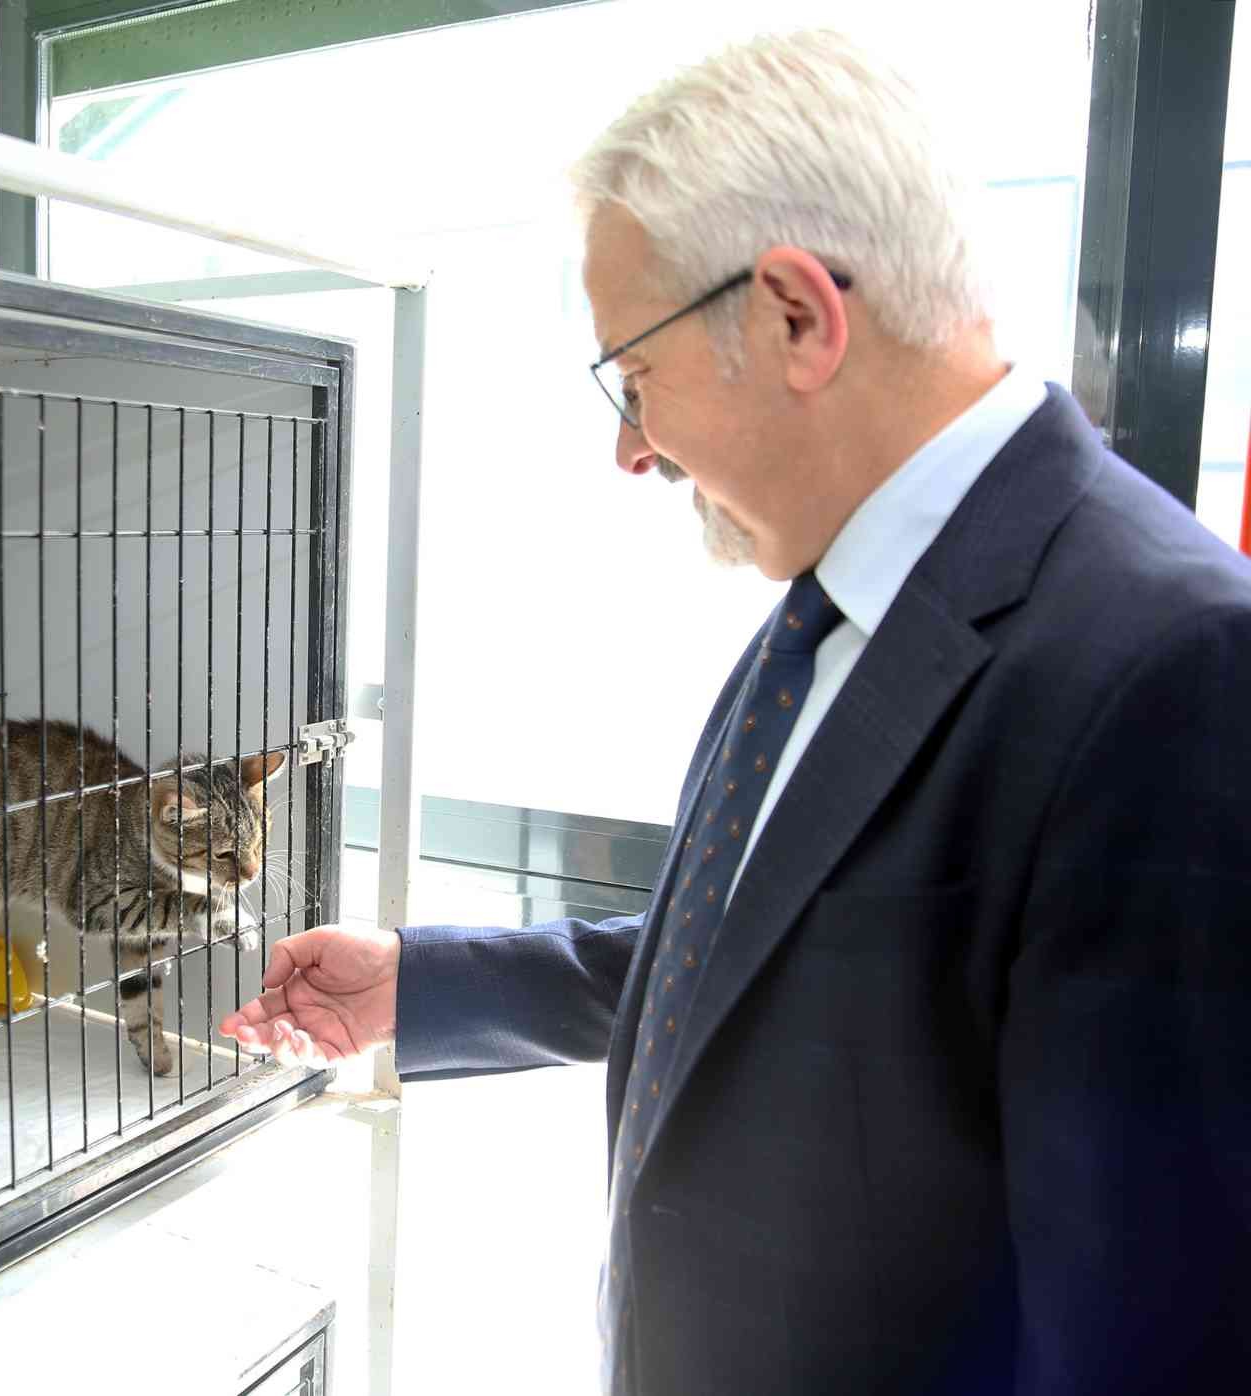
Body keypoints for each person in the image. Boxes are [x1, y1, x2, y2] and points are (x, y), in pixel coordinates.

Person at [220, 28, 1251, 1395]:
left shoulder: (1171, 667)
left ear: (794, 317)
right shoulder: (842, 601)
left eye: (632, 376)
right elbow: (779, 945)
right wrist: (428, 985)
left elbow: (1149, 1340)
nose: (631, 449)